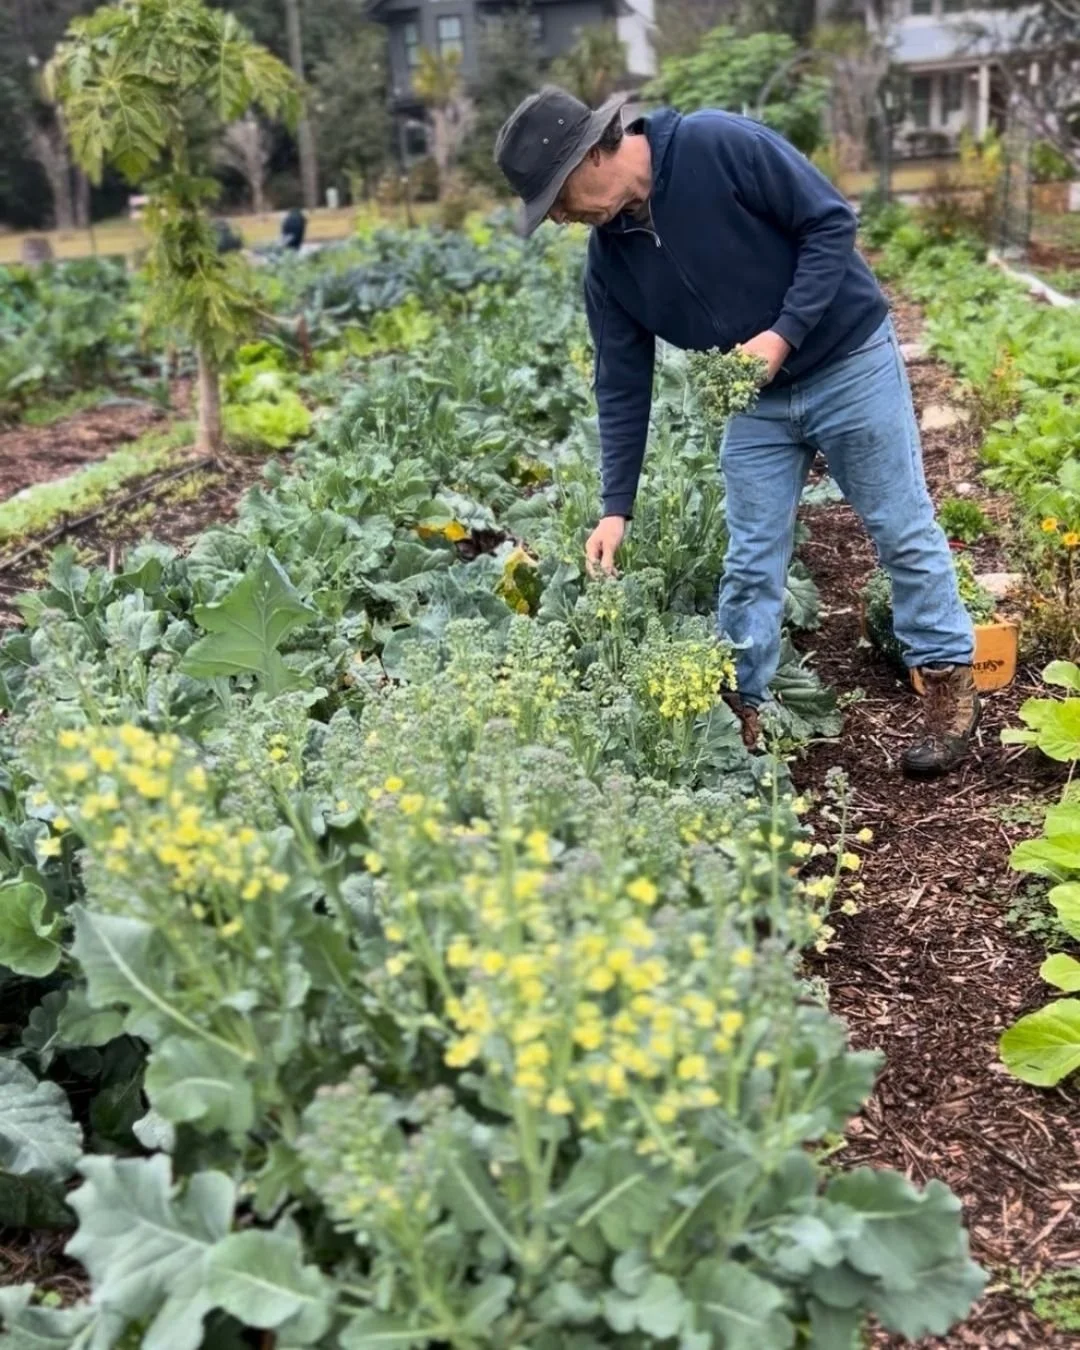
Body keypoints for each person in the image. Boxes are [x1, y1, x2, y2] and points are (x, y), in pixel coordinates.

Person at [494, 86, 979, 779]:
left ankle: (947, 690)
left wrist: (781, 335)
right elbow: (622, 382)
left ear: (594, 152)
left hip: (848, 360)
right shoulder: (611, 261)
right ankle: (739, 718)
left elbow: (829, 223)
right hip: (755, 401)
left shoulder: (717, 146)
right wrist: (614, 507)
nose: (563, 218)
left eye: (559, 198)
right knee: (751, 559)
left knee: (900, 528)